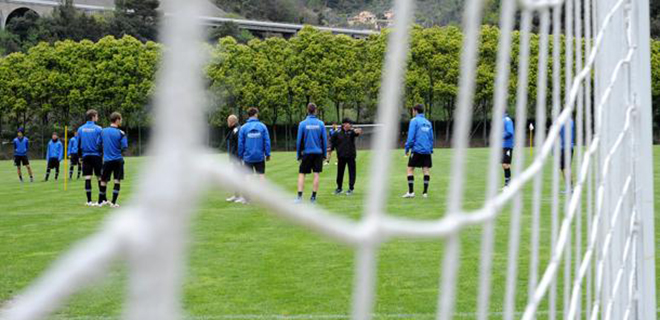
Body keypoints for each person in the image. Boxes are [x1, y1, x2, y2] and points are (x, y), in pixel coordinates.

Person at [237, 107, 271, 204]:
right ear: (256, 114)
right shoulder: (262, 126)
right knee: (261, 175)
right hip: (260, 156)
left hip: (248, 157)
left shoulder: (243, 128)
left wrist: (240, 156)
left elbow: (240, 144)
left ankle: (247, 198)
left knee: (248, 176)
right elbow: (267, 141)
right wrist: (267, 154)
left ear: (248, 115)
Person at [295, 103, 327, 204]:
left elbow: (299, 141)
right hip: (318, 153)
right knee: (316, 174)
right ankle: (313, 197)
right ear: (315, 111)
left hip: (307, 153)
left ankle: (299, 197)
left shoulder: (302, 124)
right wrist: (325, 154)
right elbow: (324, 140)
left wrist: (298, 155)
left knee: (302, 174)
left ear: (307, 111)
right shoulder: (321, 124)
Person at [403, 104, 434, 198]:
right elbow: (431, 138)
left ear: (415, 111)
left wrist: (407, 148)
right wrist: (430, 149)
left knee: (410, 169)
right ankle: (425, 193)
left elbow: (410, 137)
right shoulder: (428, 122)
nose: (412, 112)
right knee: (426, 170)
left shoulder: (414, 121)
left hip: (416, 149)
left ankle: (411, 192)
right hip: (427, 150)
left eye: (413, 110)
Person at [100, 112, 128, 208]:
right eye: (121, 119)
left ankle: (101, 201)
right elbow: (124, 147)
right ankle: (113, 203)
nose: (121, 121)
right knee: (117, 180)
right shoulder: (121, 133)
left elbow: (98, 143)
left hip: (107, 160)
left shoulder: (103, 131)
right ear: (117, 120)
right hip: (118, 160)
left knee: (103, 180)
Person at [78, 109, 104, 207]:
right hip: (96, 156)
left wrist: (80, 157)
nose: (97, 118)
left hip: (86, 156)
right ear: (93, 117)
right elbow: (101, 143)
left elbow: (79, 144)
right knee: (99, 178)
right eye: (97, 116)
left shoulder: (80, 129)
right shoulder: (99, 129)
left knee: (88, 178)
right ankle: (100, 201)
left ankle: (89, 201)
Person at [331, 118, 362, 196]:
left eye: (350, 124)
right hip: (341, 156)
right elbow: (332, 143)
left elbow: (357, 132)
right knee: (340, 173)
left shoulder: (352, 132)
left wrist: (358, 131)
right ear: (344, 124)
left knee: (352, 172)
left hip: (351, 156)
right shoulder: (337, 133)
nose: (350, 125)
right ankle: (339, 188)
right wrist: (330, 149)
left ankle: (351, 188)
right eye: (348, 123)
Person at [225, 114, 242, 203]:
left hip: (237, 158)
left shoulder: (237, 130)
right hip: (234, 158)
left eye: (228, 121)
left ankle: (240, 196)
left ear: (232, 122)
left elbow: (240, 145)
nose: (227, 123)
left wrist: (238, 158)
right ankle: (236, 195)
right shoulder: (233, 130)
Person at [560, 118, 575, 193]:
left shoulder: (562, 121)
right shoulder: (571, 121)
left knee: (565, 168)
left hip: (565, 148)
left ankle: (570, 188)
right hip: (570, 147)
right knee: (564, 168)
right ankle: (569, 187)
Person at [502, 112, 515, 188]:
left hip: (508, 145)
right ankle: (508, 183)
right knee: (504, 165)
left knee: (505, 164)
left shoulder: (507, 120)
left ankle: (508, 184)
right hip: (503, 146)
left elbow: (510, 132)